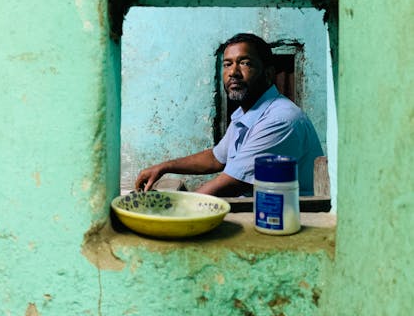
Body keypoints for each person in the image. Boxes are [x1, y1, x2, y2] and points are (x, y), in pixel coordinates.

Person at [135, 33, 323, 197]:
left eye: (245, 63)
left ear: (268, 73)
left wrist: (175, 208)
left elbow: (231, 182)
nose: (233, 72)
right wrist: (163, 167)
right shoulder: (246, 113)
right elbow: (216, 158)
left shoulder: (281, 119)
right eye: (227, 64)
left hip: (286, 218)